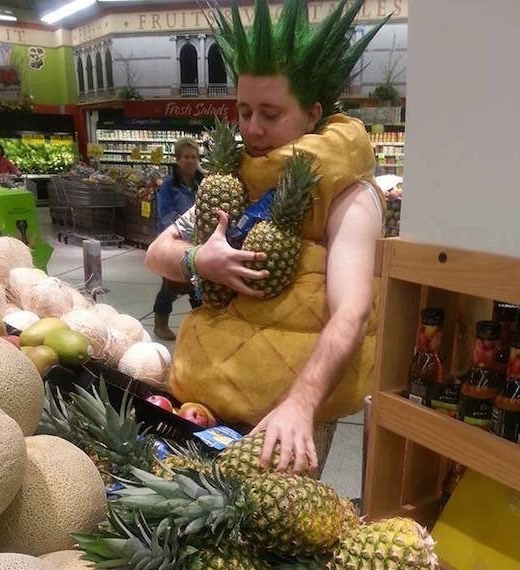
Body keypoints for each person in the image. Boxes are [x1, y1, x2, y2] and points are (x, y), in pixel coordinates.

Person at [145, 0, 387, 475]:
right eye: (244, 111)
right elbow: (157, 254)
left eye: (271, 114)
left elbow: (353, 312)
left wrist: (300, 403)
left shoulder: (350, 195)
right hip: (201, 395)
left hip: (287, 412)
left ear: (312, 114)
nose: (253, 129)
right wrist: (199, 261)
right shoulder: (236, 180)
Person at [152, 137, 202, 340]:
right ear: (178, 159)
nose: (191, 161)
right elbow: (165, 215)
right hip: (174, 242)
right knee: (171, 286)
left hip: (198, 242)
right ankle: (160, 324)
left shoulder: (202, 182)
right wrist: (182, 231)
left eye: (194, 157)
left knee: (197, 286)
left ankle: (200, 325)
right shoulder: (168, 185)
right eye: (186, 157)